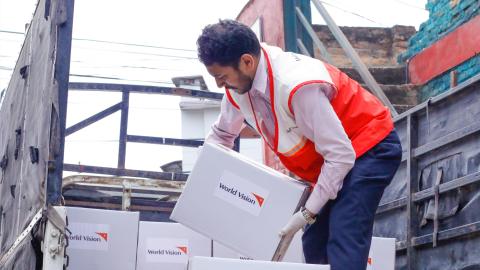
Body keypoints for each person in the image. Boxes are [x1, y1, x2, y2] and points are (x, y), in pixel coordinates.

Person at [197, 19, 402, 270]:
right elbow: (220, 138)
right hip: (331, 161)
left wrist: (307, 213)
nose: (220, 84)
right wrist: (201, 186)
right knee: (314, 243)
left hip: (370, 146)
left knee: (344, 234)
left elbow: (340, 156)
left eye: (221, 76)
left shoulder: (297, 85)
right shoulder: (238, 88)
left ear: (247, 62)